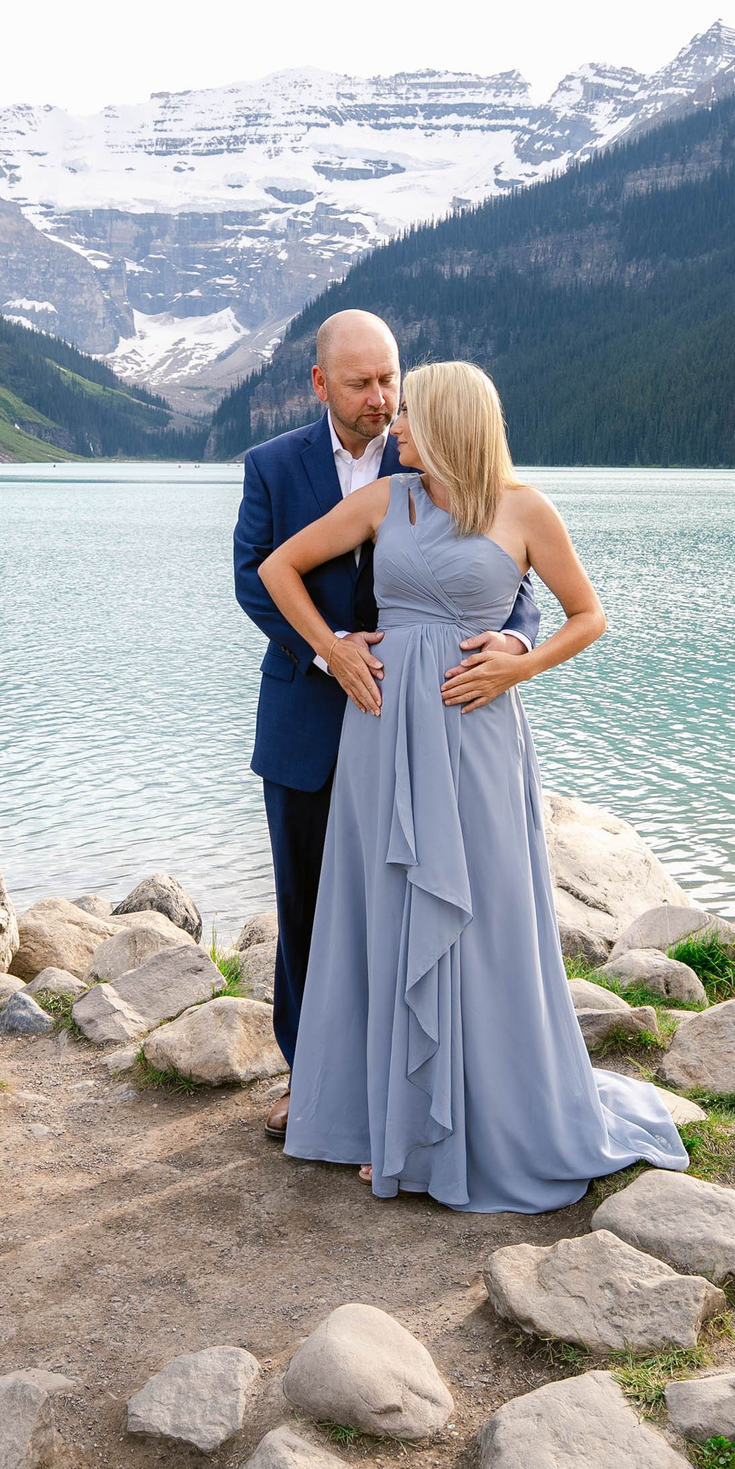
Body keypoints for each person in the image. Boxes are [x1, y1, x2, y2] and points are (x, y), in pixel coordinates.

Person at [258, 358, 690, 1212]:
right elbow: (278, 569)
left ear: (450, 420)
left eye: (410, 412)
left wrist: (520, 660)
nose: (395, 425)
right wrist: (338, 648)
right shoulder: (389, 502)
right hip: (382, 734)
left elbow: (588, 615)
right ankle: (394, 1124)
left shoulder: (527, 509)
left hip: (477, 733)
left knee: (483, 914)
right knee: (385, 913)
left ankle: (479, 1121)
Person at [233, 311, 539, 1141]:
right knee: (312, 905)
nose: (381, 399)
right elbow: (256, 579)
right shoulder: (271, 465)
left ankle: (434, 1086)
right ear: (319, 382)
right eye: (363, 383)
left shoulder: (443, 455)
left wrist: (513, 643)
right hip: (311, 710)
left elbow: (514, 584)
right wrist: (331, 651)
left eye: (390, 380)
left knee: (418, 898)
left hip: (435, 722)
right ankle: (315, 1078)